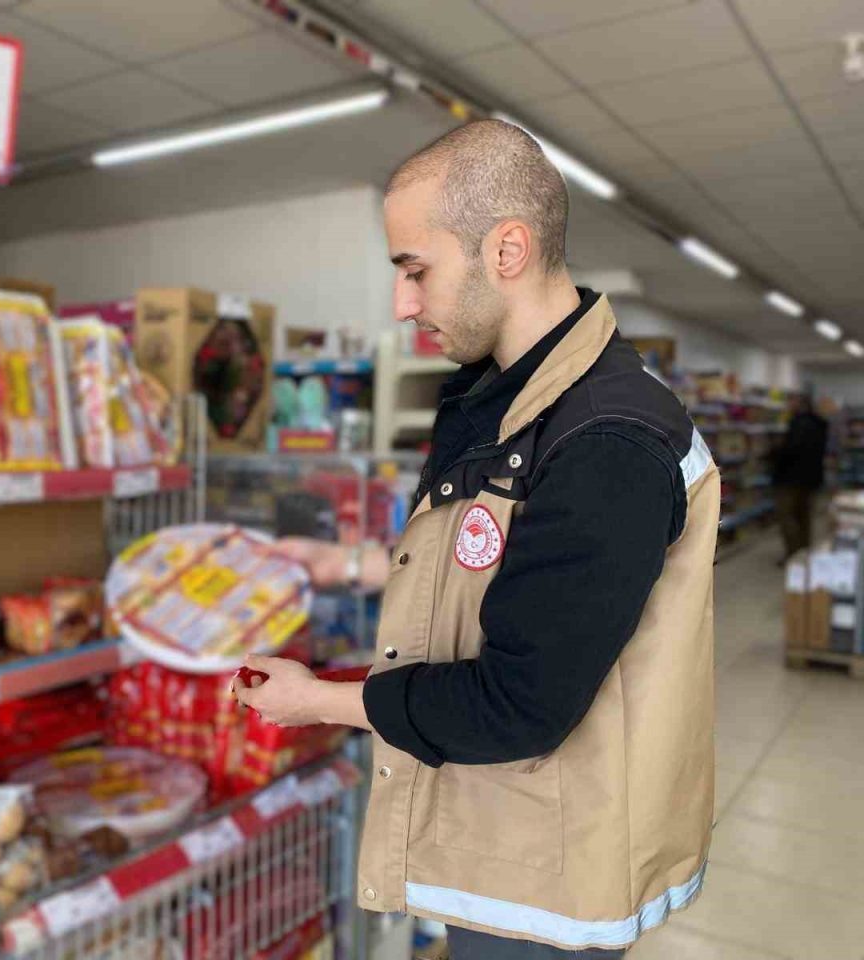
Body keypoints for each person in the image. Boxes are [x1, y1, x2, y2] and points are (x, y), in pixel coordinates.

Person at [234, 120, 719, 959]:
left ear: (506, 250)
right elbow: (492, 565)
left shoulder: (608, 438)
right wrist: (346, 564)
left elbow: (518, 704)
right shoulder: (507, 399)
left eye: (414, 269)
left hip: (548, 880)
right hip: (498, 837)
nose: (402, 303)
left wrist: (313, 702)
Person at [772, 393, 828, 561]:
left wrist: (773, 454)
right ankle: (805, 553)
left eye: (791, 401)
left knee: (787, 517)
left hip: (790, 479)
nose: (789, 405)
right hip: (812, 479)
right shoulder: (820, 424)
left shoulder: (798, 424)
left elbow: (791, 451)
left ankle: (793, 554)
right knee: (804, 517)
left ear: (800, 404)